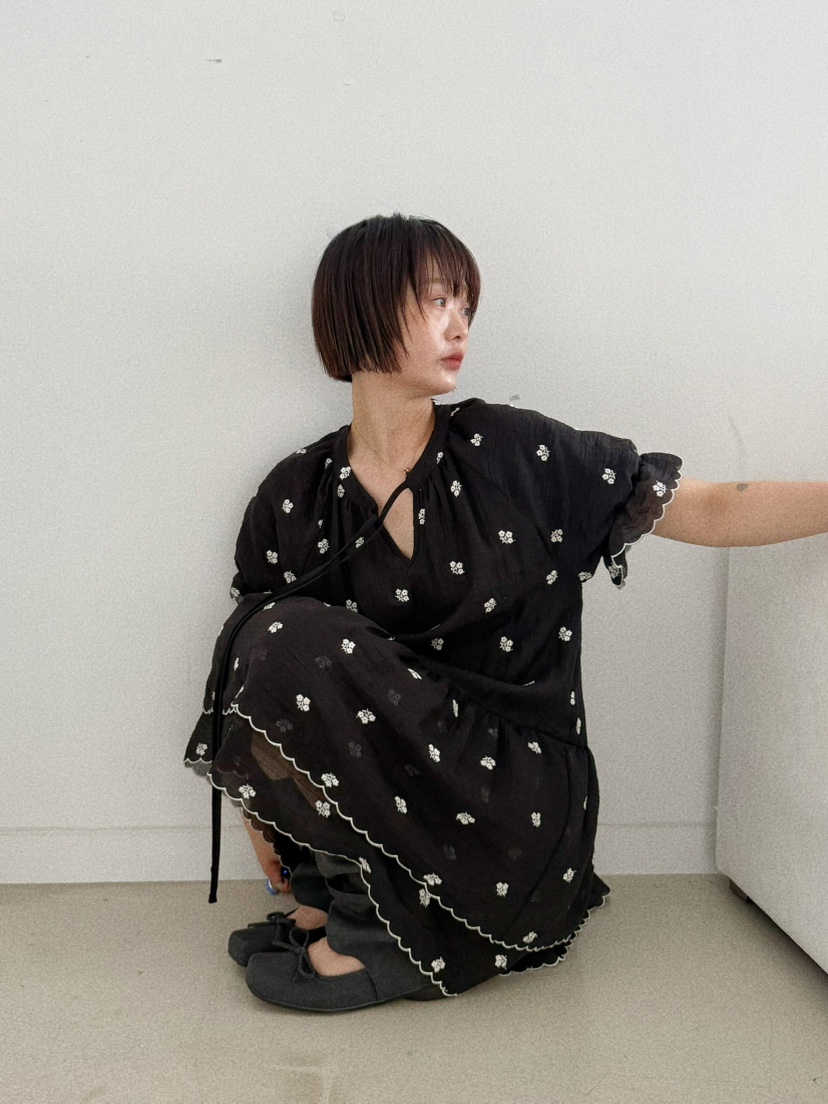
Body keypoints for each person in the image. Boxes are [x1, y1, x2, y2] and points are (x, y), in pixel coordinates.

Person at [184, 212, 828, 1012]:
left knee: (288, 634)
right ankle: (342, 890)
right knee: (270, 633)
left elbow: (709, 507)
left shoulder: (516, 454)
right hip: (397, 799)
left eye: (466, 305)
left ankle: (382, 935)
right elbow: (254, 676)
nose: (460, 325)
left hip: (515, 806)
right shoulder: (295, 494)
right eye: (436, 301)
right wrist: (263, 815)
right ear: (362, 305)